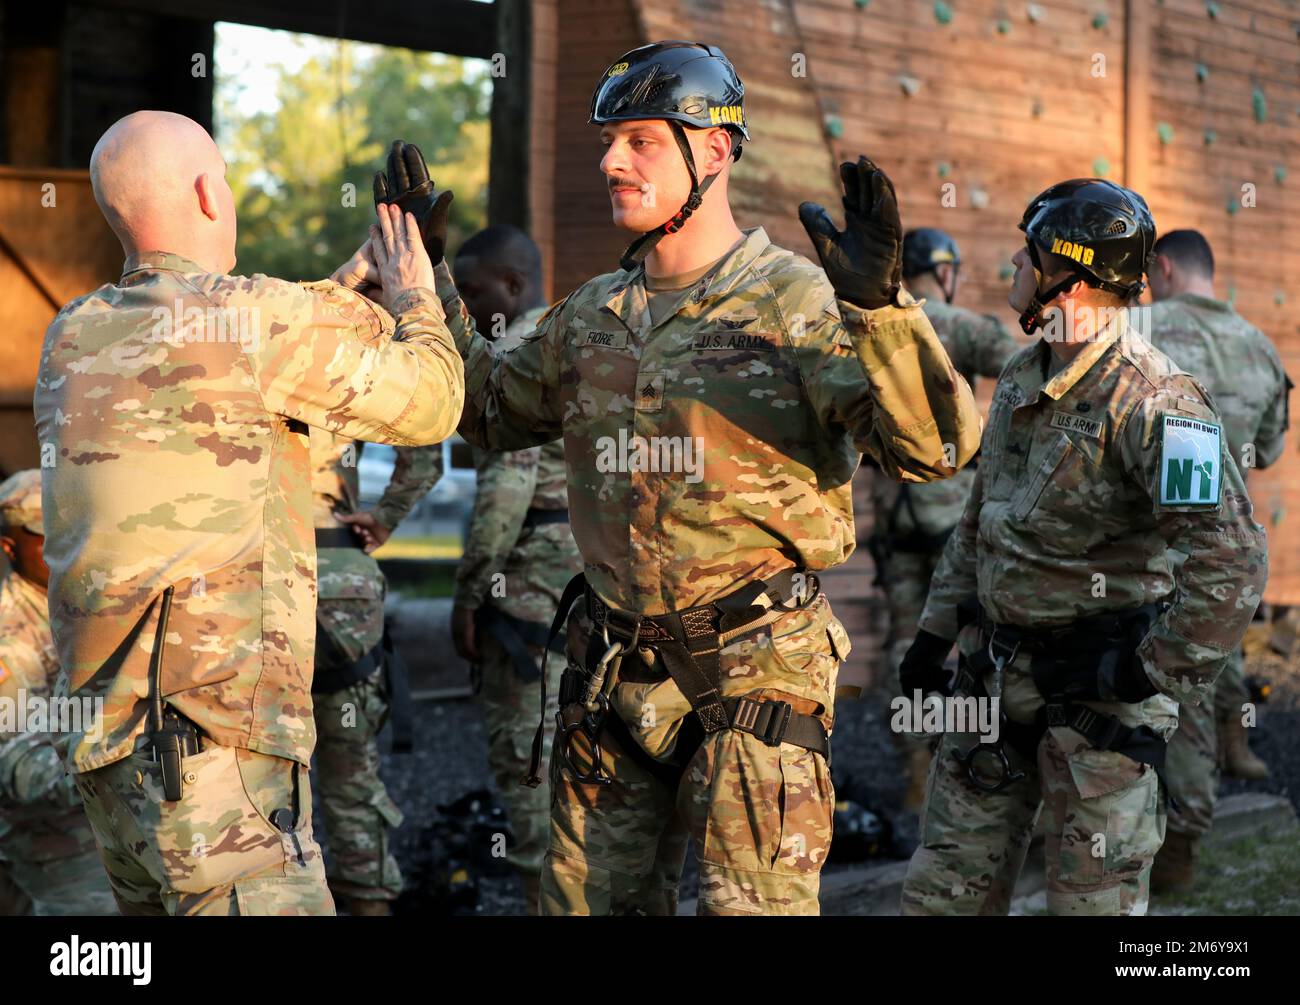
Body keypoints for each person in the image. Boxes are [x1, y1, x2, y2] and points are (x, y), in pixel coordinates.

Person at [376, 40, 981, 915]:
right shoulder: (591, 316)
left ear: (716, 151)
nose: (611, 161)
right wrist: (427, 269)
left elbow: (934, 450)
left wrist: (884, 313)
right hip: (612, 677)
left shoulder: (795, 303)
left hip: (754, 678)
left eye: (642, 142)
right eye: (608, 141)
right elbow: (487, 408)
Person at [32, 111, 463, 915]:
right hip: (218, 771)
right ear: (205, 192)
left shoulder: (75, 335)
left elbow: (241, 345)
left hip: (111, 765)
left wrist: (350, 280)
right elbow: (434, 402)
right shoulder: (255, 322)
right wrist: (414, 293)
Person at [898, 179, 1268, 916]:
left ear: (1070, 272)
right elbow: (980, 519)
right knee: (941, 899)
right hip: (991, 693)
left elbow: (1231, 559)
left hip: (1099, 719)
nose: (1013, 261)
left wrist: (1144, 669)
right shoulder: (1018, 376)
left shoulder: (1156, 401)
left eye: (1027, 252)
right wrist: (932, 633)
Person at [1144, 228, 1290, 891]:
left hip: (1145, 552)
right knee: (1214, 664)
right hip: (1228, 552)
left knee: (1159, 697)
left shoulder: (1135, 328)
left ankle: (1164, 840)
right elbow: (1270, 448)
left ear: (1165, 268)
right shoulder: (1261, 345)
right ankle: (1214, 785)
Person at [448, 225, 584, 913]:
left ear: (512, 286)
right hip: (587, 600)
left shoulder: (512, 353)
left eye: (472, 292)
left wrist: (468, 598)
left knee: (530, 774)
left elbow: (503, 499)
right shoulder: (577, 341)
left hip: (527, 608)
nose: (467, 308)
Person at [870, 228, 1019, 809]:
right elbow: (1025, 376)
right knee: (977, 645)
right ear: (946, 271)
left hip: (897, 518)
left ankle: (915, 771)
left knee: (905, 647)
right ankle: (977, 766)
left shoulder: (878, 326)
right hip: (955, 524)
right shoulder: (961, 326)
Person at [309, 407, 443, 915]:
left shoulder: (211, 340)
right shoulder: (344, 343)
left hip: (245, 575)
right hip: (339, 570)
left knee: (255, 770)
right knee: (351, 773)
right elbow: (425, 445)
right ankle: (366, 901)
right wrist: (385, 517)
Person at [0, 470, 116, 915]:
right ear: (10, 547)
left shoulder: (83, 599)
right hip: (54, 845)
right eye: (46, 537)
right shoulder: (11, 637)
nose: (65, 547)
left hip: (106, 823)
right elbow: (23, 772)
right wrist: (121, 740)